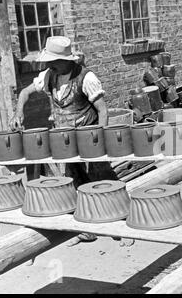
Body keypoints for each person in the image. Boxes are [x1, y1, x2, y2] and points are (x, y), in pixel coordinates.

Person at [10, 36, 116, 244]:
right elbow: (24, 92)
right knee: (75, 181)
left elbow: (103, 111)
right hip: (64, 141)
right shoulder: (49, 75)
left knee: (101, 179)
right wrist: (18, 112)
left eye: (53, 61)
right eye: (48, 61)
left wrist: (99, 138)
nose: (49, 64)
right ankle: (87, 229)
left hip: (88, 138)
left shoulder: (86, 78)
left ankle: (118, 223)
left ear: (67, 60)